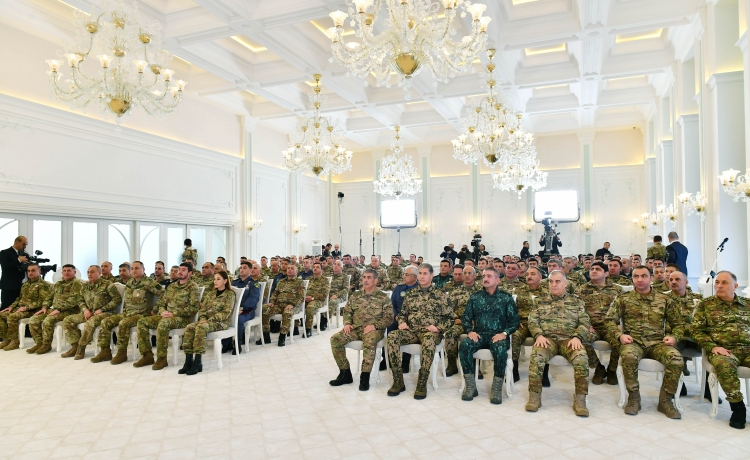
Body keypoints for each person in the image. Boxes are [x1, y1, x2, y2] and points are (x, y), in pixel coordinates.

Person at [605, 266, 685, 418]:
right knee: (629, 357)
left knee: (676, 360)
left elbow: (679, 325)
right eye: (636, 276)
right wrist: (619, 335)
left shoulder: (665, 299)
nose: (640, 280)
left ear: (651, 278)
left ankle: (666, 401)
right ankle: (634, 398)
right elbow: (609, 321)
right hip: (633, 342)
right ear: (632, 279)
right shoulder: (623, 299)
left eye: (644, 276)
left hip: (658, 343)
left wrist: (674, 337)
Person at [526, 271, 591, 417]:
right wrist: (539, 335)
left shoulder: (577, 301)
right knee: (536, 357)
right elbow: (532, 320)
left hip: (570, 340)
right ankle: (534, 396)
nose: (554, 284)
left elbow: (585, 322)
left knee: (581, 359)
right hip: (547, 340)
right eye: (551, 281)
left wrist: (577, 337)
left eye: (557, 281)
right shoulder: (539, 301)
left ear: (565, 283)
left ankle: (580, 399)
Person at [691, 271, 749, 429]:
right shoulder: (706, 305)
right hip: (723, 350)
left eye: (724, 283)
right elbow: (696, 331)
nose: (719, 286)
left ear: (735, 286)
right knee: (724, 365)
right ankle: (738, 408)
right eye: (717, 282)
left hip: (747, 348)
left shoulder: (747, 304)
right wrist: (713, 346)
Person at [387, 263, 453, 400]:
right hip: (411, 331)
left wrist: (439, 328)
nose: (422, 276)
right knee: (392, 336)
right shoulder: (411, 294)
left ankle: (422, 383)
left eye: (425, 274)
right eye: (420, 274)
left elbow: (450, 318)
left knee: (428, 340)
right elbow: (403, 314)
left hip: (431, 333)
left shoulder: (440, 294)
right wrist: (402, 322)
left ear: (431, 276)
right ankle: (398, 381)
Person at [459, 267, 519, 404]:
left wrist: (504, 333)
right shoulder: (475, 297)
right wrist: (469, 331)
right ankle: (470, 386)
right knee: (465, 345)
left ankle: (496, 388)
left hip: (498, 335)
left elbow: (514, 321)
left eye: (489, 276)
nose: (485, 278)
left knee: (499, 349)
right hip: (479, 334)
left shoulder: (506, 298)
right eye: (484, 276)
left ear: (497, 280)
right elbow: (466, 318)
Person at [329, 269, 393, 391]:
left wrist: (375, 326)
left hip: (373, 330)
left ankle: (365, 377)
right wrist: (347, 323)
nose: (365, 280)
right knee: (335, 339)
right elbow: (347, 311)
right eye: (364, 277)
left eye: (369, 277)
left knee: (369, 342)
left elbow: (389, 318)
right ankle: (345, 373)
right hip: (355, 329)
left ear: (376, 280)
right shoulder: (356, 295)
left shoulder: (383, 298)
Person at [93, 261, 164, 364]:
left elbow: (164, 294)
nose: (134, 271)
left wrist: (156, 309)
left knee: (123, 323)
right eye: (132, 269)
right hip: (127, 313)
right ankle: (105, 351)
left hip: (141, 314)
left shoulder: (149, 283)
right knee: (105, 321)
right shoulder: (130, 282)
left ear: (143, 270)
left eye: (137, 268)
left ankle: (122, 353)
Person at [133, 262, 199, 370]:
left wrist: (174, 313)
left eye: (183, 270)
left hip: (182, 319)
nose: (180, 272)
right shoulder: (172, 286)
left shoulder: (193, 287)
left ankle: (162, 358)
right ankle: (147, 355)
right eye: (179, 270)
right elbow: (162, 303)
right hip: (167, 316)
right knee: (142, 322)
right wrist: (163, 311)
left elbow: (194, 308)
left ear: (190, 273)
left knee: (163, 323)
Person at [574, 262, 622, 385]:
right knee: (581, 339)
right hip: (591, 327)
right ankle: (598, 368)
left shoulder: (617, 289)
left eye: (598, 269)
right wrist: (584, 325)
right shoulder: (581, 290)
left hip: (610, 327)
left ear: (606, 273)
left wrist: (619, 324)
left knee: (619, 342)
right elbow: (576, 310)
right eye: (592, 269)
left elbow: (624, 309)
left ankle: (612, 370)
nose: (594, 271)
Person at [179, 271, 235, 376]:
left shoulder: (230, 294)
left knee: (201, 327)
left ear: (225, 281)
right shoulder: (211, 293)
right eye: (214, 279)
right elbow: (203, 310)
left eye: (218, 279)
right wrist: (203, 318)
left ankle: (198, 361)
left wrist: (208, 320)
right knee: (189, 327)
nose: (215, 281)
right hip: (205, 321)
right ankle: (188, 360)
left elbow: (226, 313)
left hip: (220, 322)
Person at [61, 265, 122, 359]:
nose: (89, 274)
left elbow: (117, 300)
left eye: (92, 272)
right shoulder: (85, 285)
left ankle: (81, 348)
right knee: (67, 320)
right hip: (89, 313)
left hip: (106, 313)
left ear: (99, 273)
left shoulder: (108, 284)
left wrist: (102, 309)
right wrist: (85, 310)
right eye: (88, 272)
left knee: (91, 321)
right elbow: (80, 300)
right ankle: (75, 346)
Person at [27, 264, 83, 355]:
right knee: (34, 319)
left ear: (74, 272)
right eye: (64, 271)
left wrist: (59, 309)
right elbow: (49, 297)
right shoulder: (58, 284)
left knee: (48, 320)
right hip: (55, 309)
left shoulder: (77, 283)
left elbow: (75, 299)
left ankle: (46, 345)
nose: (66, 273)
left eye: (69, 271)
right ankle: (39, 343)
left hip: (70, 311)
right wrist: (45, 307)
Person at [0, 264, 51, 350]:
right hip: (21, 309)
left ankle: (14, 341)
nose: (30, 273)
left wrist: (26, 308)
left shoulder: (43, 285)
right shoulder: (25, 285)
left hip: (34, 310)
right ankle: (6, 339)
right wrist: (11, 307)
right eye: (28, 271)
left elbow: (43, 301)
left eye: (33, 270)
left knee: (12, 316)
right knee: (1, 314)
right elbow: (19, 298)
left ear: (39, 271)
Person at [511, 267, 549, 383]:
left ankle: (544, 373)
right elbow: (511, 308)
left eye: (533, 274)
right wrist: (515, 321)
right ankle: (514, 371)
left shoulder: (547, 292)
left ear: (540, 277)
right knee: (513, 336)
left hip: (540, 325)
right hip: (522, 324)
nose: (529, 276)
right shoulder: (518, 290)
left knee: (546, 338)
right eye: (527, 274)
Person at [443, 265, 482, 376]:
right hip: (461, 322)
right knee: (450, 334)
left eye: (470, 273)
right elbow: (448, 308)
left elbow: (487, 309)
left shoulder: (481, 291)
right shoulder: (456, 291)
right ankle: (452, 364)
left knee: (476, 336)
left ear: (475, 275)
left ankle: (475, 366)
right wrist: (455, 318)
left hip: (476, 324)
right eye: (465, 273)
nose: (467, 276)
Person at [261, 264, 305, 347]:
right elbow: (275, 293)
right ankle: (266, 335)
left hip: (293, 306)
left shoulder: (299, 282)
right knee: (264, 308)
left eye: (292, 268)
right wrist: (272, 301)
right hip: (279, 305)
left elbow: (301, 297)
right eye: (288, 268)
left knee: (287, 313)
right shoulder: (281, 281)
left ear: (296, 271)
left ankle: (282, 336)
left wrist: (292, 304)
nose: (289, 270)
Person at [387, 266, 419, 372]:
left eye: (406, 274)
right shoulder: (399, 288)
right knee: (390, 325)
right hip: (398, 317)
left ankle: (406, 360)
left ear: (414, 277)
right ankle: (388, 358)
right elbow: (392, 304)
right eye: (404, 274)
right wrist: (396, 315)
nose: (403, 276)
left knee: (407, 329)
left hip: (413, 320)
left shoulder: (420, 289)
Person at [230, 261, 262, 353]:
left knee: (239, 320)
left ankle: (237, 345)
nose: (241, 270)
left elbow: (253, 299)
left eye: (244, 268)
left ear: (250, 270)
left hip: (247, 311)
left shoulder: (253, 283)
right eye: (241, 268)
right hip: (234, 309)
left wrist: (241, 308)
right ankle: (226, 343)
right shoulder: (234, 282)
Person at [0, 236, 28, 309]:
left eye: (26, 245)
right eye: (23, 244)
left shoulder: (23, 254)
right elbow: (5, 267)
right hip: (9, 287)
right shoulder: (5, 253)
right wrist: (18, 260)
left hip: (20, 286)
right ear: (16, 242)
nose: (25, 246)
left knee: (16, 308)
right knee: (5, 308)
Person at [303, 262, 330, 337]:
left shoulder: (325, 280)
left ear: (321, 269)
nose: (315, 268)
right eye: (314, 267)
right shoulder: (308, 279)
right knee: (296, 304)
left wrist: (312, 298)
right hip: (306, 298)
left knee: (310, 308)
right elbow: (302, 290)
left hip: (319, 300)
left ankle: (308, 329)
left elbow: (324, 294)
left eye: (317, 267)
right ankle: (295, 328)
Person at [326, 260, 349, 330]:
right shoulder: (329, 276)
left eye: (338, 265)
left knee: (332, 302)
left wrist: (337, 295)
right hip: (329, 296)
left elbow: (346, 289)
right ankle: (322, 318)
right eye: (335, 264)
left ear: (341, 268)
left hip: (340, 297)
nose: (335, 265)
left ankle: (325, 320)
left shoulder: (344, 276)